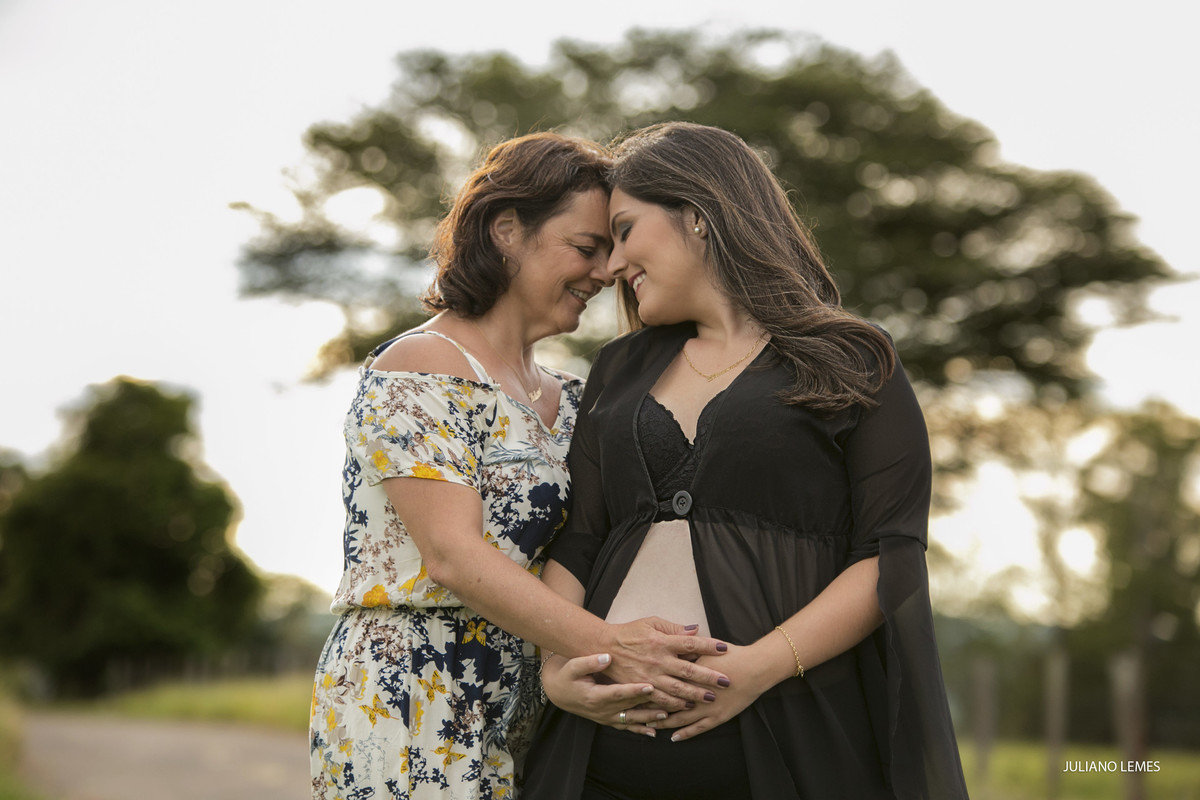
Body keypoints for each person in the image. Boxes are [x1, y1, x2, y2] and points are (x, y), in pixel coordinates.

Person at [524, 122, 970, 799]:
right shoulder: (617, 369)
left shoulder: (855, 358)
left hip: (792, 748)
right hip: (599, 766)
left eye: (624, 230)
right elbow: (582, 538)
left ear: (697, 216)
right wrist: (557, 669)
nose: (611, 266)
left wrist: (757, 669)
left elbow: (889, 553)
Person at [309, 131, 731, 800]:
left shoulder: (573, 400)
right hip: (415, 695)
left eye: (616, 250)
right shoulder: (421, 368)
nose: (607, 271)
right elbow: (451, 555)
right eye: (587, 248)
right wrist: (610, 644)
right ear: (507, 230)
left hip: (532, 706)